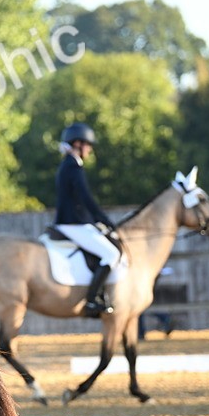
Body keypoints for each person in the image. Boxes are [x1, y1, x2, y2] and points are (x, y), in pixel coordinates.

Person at [54, 123, 120, 318]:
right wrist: (105, 220)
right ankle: (91, 300)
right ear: (78, 144)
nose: (90, 150)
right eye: (88, 145)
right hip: (74, 223)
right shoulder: (73, 167)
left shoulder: (68, 164)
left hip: (75, 221)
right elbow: (86, 199)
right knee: (112, 254)